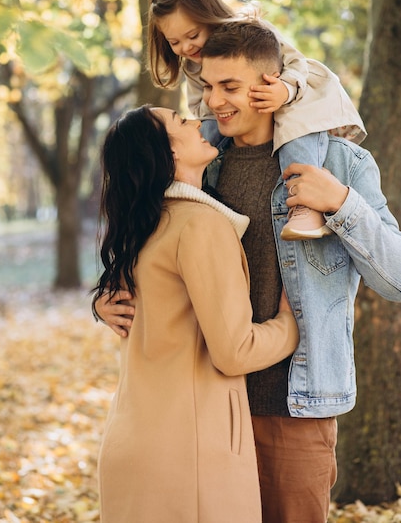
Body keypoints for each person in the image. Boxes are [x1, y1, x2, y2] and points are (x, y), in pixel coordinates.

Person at [94, 21, 401, 523]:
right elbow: (152, 249)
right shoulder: (202, 170)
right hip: (207, 414)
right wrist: (115, 295)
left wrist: (341, 204)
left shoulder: (340, 163)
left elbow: (396, 277)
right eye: (208, 86)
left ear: (269, 83)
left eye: (230, 87)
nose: (213, 102)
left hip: (295, 406)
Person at [94, 104, 299, 523]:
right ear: (167, 154)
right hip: (189, 458)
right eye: (179, 121)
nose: (196, 119)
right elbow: (235, 352)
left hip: (135, 445)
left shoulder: (145, 226)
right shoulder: (199, 226)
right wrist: (291, 325)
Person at [147, 0, 367, 240]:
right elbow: (202, 106)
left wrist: (284, 90)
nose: (186, 47)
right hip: (230, 116)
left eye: (192, 35)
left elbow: (297, 63)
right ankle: (188, 193)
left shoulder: (252, 32)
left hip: (292, 99)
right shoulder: (193, 62)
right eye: (174, 42)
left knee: (294, 134)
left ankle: (305, 205)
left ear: (208, 15)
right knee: (200, 138)